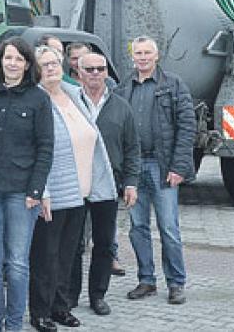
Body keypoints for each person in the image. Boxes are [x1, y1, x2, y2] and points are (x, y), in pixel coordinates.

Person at [28, 45, 117, 332]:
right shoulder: (36, 100)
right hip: (51, 195)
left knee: (68, 256)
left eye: (55, 62)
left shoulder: (73, 95)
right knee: (46, 257)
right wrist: (42, 191)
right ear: (35, 69)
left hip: (79, 193)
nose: (52, 68)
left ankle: (60, 307)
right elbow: (36, 150)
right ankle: (40, 312)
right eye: (45, 64)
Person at [0, 37, 54, 332]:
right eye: (8, 58)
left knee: (18, 264)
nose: (12, 63)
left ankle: (13, 324)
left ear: (27, 64)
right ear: (0, 60)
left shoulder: (38, 99)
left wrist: (36, 190)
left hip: (23, 192)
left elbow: (46, 147)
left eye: (19, 59)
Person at [116, 36, 196, 306]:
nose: (142, 57)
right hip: (134, 168)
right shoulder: (123, 88)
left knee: (169, 228)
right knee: (137, 227)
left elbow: (187, 128)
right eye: (138, 53)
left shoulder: (173, 85)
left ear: (157, 55)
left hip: (162, 168)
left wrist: (178, 167)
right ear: (132, 56)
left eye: (147, 52)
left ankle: (176, 283)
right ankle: (146, 280)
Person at [68, 52, 141, 315]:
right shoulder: (70, 103)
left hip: (108, 185)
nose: (96, 74)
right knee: (73, 243)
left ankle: (98, 296)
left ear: (107, 73)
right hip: (75, 184)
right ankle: (69, 295)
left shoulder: (121, 107)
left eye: (100, 69)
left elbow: (133, 148)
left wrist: (131, 183)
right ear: (79, 73)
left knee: (104, 243)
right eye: (90, 69)